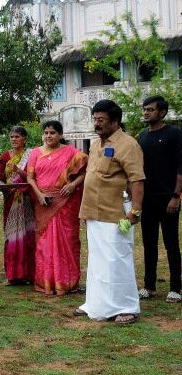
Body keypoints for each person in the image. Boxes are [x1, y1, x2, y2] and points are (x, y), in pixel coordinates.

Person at [75, 99, 144, 325]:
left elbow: (136, 180)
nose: (97, 124)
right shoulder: (96, 145)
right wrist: (85, 212)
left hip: (116, 214)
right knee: (97, 261)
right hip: (93, 213)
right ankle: (96, 304)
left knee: (117, 260)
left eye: (101, 120)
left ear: (115, 122)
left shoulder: (128, 144)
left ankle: (127, 307)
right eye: (95, 119)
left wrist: (135, 211)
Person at [27, 121, 87, 296]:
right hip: (43, 202)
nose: (48, 136)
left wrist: (73, 185)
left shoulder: (71, 153)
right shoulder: (36, 153)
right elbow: (31, 178)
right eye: (45, 133)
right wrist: (39, 195)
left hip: (65, 202)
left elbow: (85, 170)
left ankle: (67, 281)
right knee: (44, 243)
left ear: (60, 134)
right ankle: (46, 282)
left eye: (52, 133)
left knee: (67, 240)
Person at [137, 96, 182, 303]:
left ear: (162, 112)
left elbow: (180, 168)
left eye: (150, 110)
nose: (146, 113)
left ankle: (175, 288)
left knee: (171, 243)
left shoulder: (174, 134)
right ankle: (149, 286)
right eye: (145, 109)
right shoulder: (142, 136)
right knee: (149, 243)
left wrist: (176, 196)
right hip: (147, 199)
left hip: (168, 199)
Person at [0, 126, 35, 286]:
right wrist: (1, 186)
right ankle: (13, 275)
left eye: (17, 137)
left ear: (24, 139)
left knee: (28, 237)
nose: (14, 139)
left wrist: (19, 171)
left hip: (26, 201)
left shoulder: (32, 155)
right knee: (11, 237)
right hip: (10, 199)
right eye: (12, 137)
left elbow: (34, 177)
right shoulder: (5, 156)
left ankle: (28, 274)